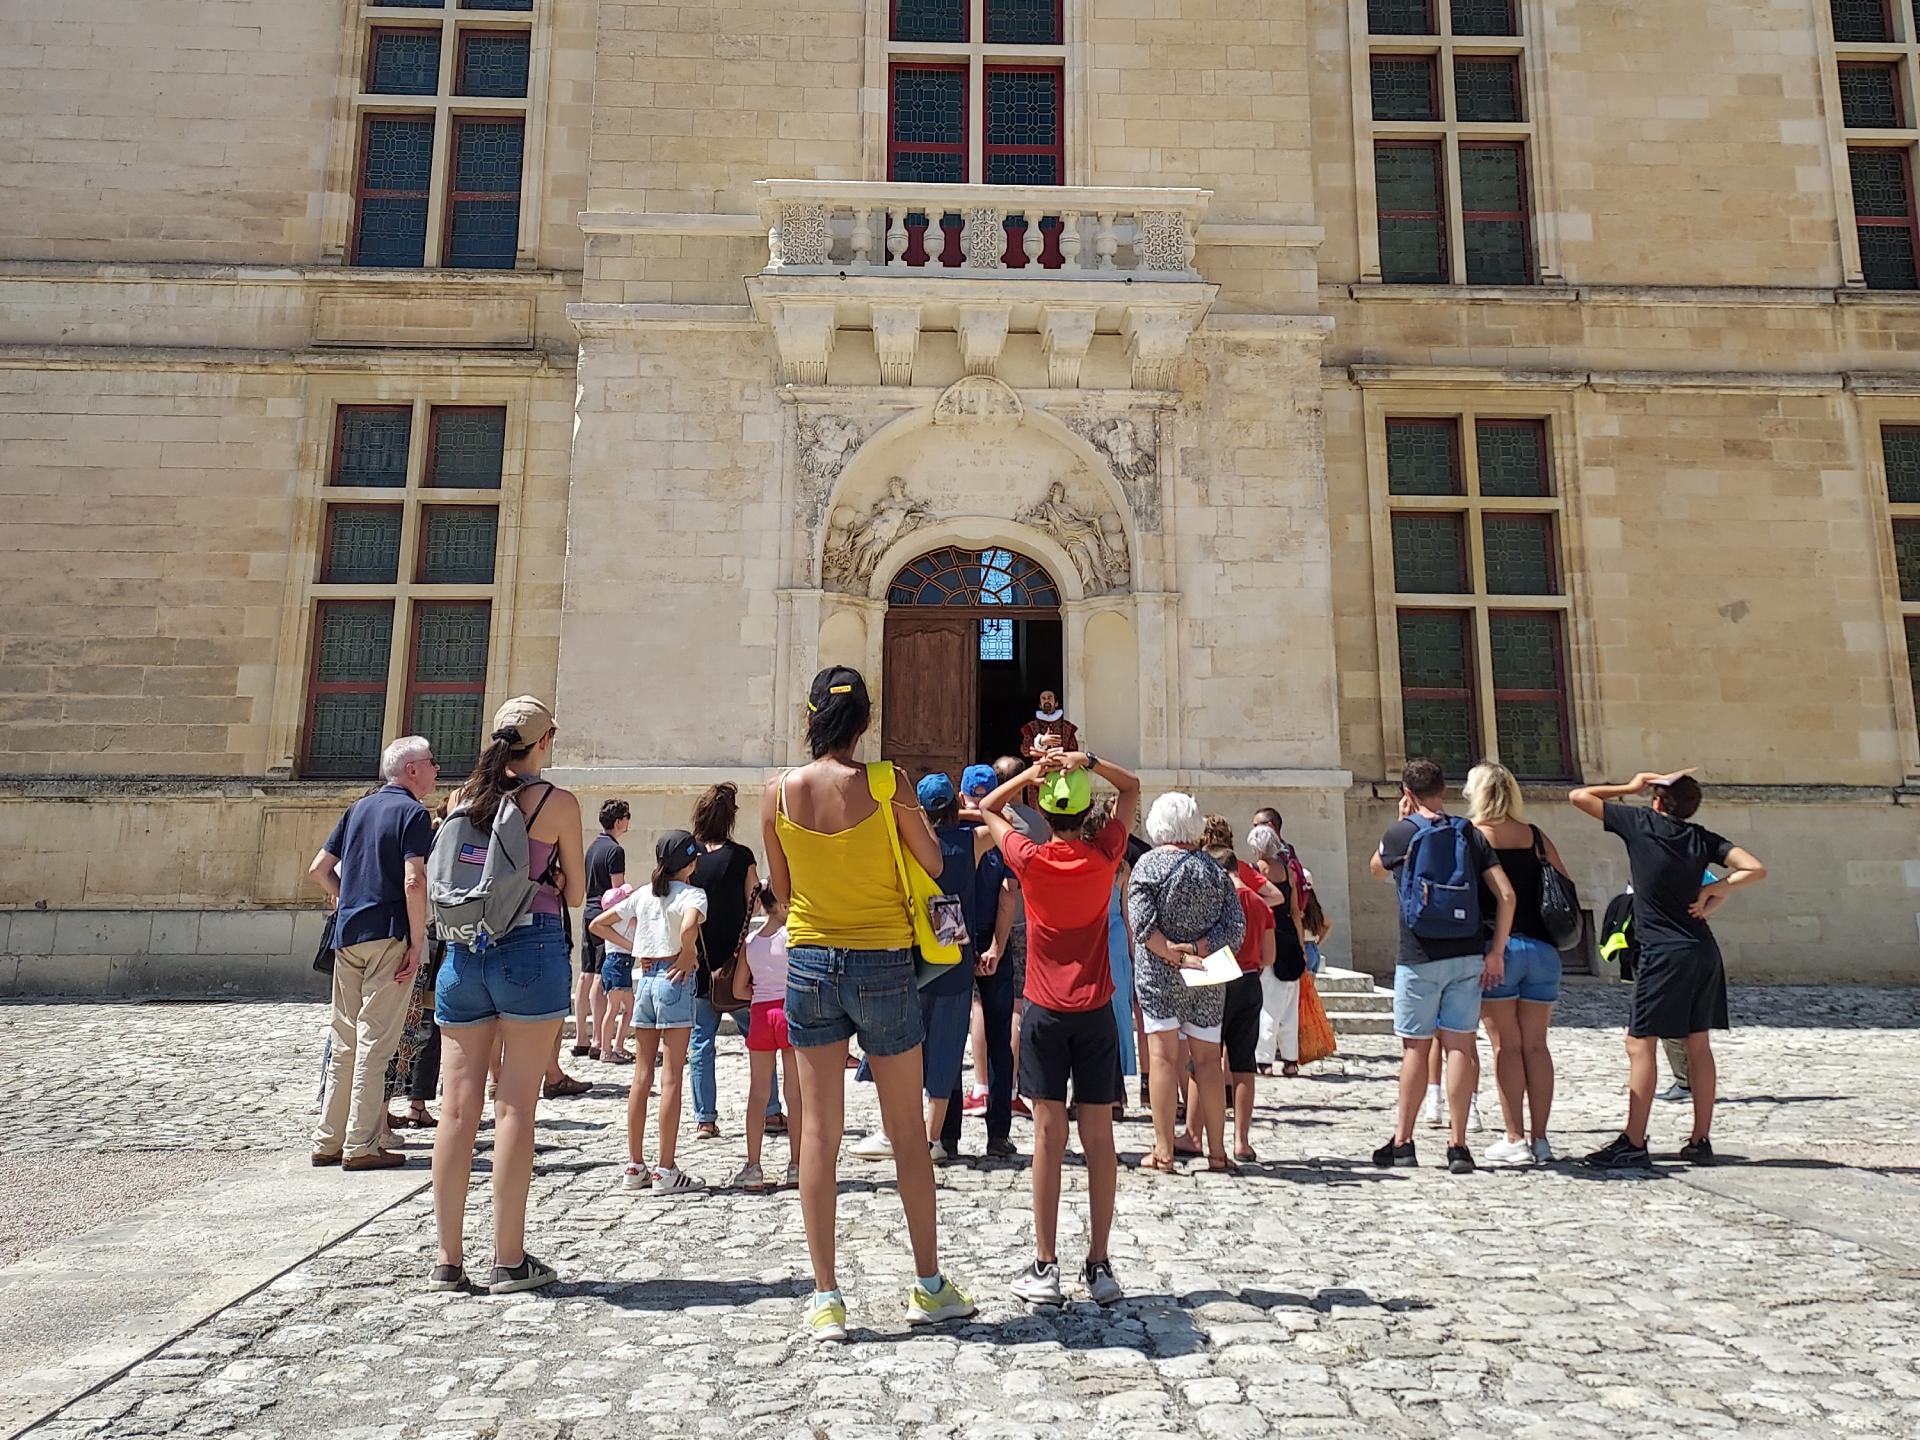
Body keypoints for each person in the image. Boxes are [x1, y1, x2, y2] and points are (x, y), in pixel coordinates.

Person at [761, 666, 976, 1343]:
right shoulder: (888, 784)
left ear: (811, 716)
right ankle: (929, 1285)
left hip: (811, 962)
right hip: (884, 960)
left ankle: (826, 1297)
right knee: (907, 1129)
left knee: (819, 1134)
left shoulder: (777, 794)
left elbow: (784, 883)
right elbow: (936, 863)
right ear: (864, 723)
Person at [431, 697, 585, 1294]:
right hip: (530, 948)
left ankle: (447, 1260)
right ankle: (509, 1257)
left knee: (456, 1108)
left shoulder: (460, 800)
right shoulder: (555, 803)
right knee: (516, 1104)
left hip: (464, 954)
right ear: (544, 742)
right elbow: (574, 895)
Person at [978, 747, 1140, 1306]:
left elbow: (989, 805)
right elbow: (1133, 788)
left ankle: (1045, 1265)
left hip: (1046, 1010)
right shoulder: (1105, 855)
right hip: (1096, 1012)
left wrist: (1031, 773)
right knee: (1101, 1140)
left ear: (1046, 814)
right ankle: (1099, 1263)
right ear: (1085, 814)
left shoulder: (1030, 859)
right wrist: (1088, 761)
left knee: (1048, 1137)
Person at [1570, 771, 1767, 1168]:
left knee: (1640, 1043)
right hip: (1701, 948)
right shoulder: (1701, 837)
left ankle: (1633, 1139)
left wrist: (1631, 786)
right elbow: (1754, 868)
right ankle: (1700, 1138)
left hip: (1661, 952)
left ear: (1657, 801)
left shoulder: (1642, 824)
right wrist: (1717, 889)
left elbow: (1579, 796)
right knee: (1698, 1043)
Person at [1369, 758, 1516, 1176]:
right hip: (1467, 952)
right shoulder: (1468, 833)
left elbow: (1375, 869)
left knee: (1415, 1047)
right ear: (1444, 790)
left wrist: (1400, 821)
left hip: (1418, 954)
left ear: (1408, 793)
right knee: (1460, 1045)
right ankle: (1458, 1144)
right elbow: (1506, 895)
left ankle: (1403, 1141)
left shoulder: (1401, 832)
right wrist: (1496, 951)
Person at [308, 736, 437, 1171]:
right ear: (412, 770)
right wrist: (417, 942)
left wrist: (346, 900)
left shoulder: (357, 808)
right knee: (376, 1041)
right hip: (389, 934)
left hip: (349, 935)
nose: (437, 770)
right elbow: (414, 880)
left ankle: (327, 1139)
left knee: (344, 1038)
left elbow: (318, 870)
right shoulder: (414, 813)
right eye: (432, 763)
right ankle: (361, 1144)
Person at [1128, 792, 1245, 1174]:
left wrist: (1174, 954)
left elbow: (1143, 926)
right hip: (1207, 975)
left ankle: (1163, 1150)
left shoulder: (1147, 866)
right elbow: (1235, 928)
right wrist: (1197, 949)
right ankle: (1217, 1152)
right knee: (1209, 1061)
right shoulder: (1214, 869)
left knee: (1163, 1058)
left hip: (1160, 976)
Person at [1465, 762, 1570, 1166]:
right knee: (1537, 1045)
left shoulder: (1474, 837)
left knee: (1505, 1047)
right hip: (1543, 951)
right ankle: (1541, 1138)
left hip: (1500, 948)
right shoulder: (1536, 837)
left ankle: (1514, 1137)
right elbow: (1563, 884)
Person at [594, 830, 711, 1195]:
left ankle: (635, 1164)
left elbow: (598, 923)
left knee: (641, 1075)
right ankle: (665, 1167)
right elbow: (691, 924)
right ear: (690, 864)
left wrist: (634, 946)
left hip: (644, 978)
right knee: (672, 1076)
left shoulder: (644, 894)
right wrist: (688, 949)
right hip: (675, 978)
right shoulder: (692, 893)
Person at [688, 783, 782, 1140]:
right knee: (759, 1040)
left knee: (701, 1043)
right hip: (738, 965)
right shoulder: (741, 857)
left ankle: (705, 1118)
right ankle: (771, 1111)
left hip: (700, 964)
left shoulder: (691, 856)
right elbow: (753, 901)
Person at [951, 763, 1018, 1159]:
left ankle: (949, 1133)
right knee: (998, 1041)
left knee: (951, 1036)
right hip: (993, 941)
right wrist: (996, 946)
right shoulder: (1002, 836)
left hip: (954, 944)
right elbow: (1009, 894)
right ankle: (998, 1133)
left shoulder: (950, 835)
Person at [734, 885, 803, 1191]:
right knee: (794, 1092)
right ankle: (797, 1164)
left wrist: (759, 993)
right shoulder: (793, 937)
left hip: (761, 1014)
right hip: (789, 1011)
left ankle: (753, 1165)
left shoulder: (750, 942)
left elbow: (738, 990)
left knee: (758, 1092)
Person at [1208, 838, 1272, 1165]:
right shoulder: (1259, 903)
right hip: (1250, 981)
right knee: (1243, 1061)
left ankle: (1204, 1134)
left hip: (1217, 979)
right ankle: (1241, 1141)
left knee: (1206, 1058)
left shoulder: (1215, 901)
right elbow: (1270, 954)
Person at [1248, 823, 1306, 1081]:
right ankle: (1291, 1060)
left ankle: (1264, 1059)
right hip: (1290, 937)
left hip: (1268, 935)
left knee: (1268, 1002)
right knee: (1290, 1003)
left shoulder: (1257, 871)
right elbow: (1295, 911)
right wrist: (1302, 944)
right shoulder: (1288, 871)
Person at [577, 799, 629, 1062]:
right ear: (619, 821)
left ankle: (581, 1037)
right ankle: (598, 1037)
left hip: (588, 910)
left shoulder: (593, 846)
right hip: (604, 914)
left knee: (585, 973)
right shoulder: (615, 851)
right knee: (599, 973)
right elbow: (617, 892)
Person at [593, 882, 637, 1065]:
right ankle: (606, 1049)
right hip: (619, 963)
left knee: (627, 1008)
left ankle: (617, 1046)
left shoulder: (611, 923)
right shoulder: (624, 920)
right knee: (614, 1009)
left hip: (617, 964)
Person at [1018, 689, 1079, 762]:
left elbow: (1074, 752)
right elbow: (1026, 751)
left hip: (1062, 768)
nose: (1047, 700)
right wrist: (1041, 741)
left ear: (1056, 703)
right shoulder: (1030, 727)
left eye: (1049, 697)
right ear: (1040, 705)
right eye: (1043, 698)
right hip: (1040, 769)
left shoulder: (1068, 727)